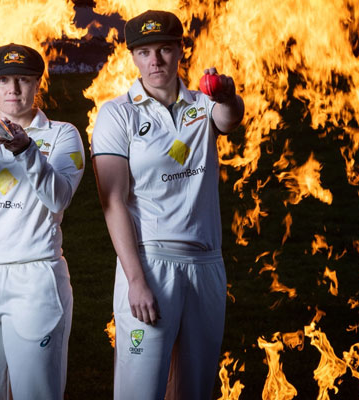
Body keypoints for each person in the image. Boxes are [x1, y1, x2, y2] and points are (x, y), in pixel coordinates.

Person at [91, 10, 245, 400]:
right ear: (133, 57)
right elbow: (112, 202)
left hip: (207, 264)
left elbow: (229, 120)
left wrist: (226, 95)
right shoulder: (116, 114)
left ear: (180, 51)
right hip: (151, 264)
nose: (155, 61)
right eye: (144, 53)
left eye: (164, 49)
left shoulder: (202, 104)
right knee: (139, 392)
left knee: (193, 392)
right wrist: (136, 279)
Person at [0, 43, 85, 400]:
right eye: (3, 79)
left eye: (23, 79)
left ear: (38, 84)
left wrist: (26, 150)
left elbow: (59, 196)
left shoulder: (63, 135)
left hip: (35, 277)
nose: (13, 89)